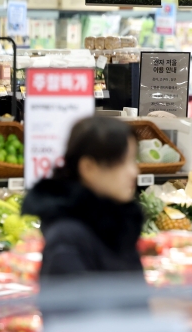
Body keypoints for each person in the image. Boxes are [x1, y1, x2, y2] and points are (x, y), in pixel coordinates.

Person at [22, 116, 143, 278]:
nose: (134, 172)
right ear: (88, 167)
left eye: (133, 160)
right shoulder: (67, 238)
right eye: (122, 162)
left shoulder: (118, 225)